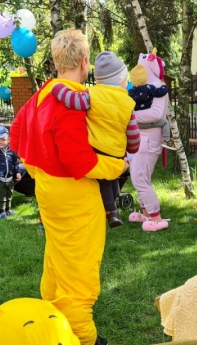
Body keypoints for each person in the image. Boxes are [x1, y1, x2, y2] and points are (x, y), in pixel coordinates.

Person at [10, 29, 126, 345]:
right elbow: (80, 161)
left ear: (57, 61)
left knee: (58, 256)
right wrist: (117, 166)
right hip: (74, 194)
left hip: (48, 189)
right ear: (85, 61)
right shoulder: (70, 101)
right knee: (80, 264)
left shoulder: (43, 92)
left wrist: (39, 171)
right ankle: (85, 341)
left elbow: (18, 134)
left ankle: (53, 316)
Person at [49, 51, 140, 227]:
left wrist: (57, 88)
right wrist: (133, 149)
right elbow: (133, 133)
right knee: (111, 177)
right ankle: (113, 206)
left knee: (104, 179)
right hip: (117, 150)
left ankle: (111, 211)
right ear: (121, 80)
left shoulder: (92, 94)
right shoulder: (128, 102)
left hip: (98, 146)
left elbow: (73, 101)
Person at [128, 51, 171, 232]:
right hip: (139, 138)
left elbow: (156, 114)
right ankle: (147, 214)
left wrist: (129, 116)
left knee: (141, 179)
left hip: (147, 139)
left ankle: (156, 218)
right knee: (137, 177)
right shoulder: (146, 86)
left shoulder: (157, 86)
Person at [128, 62, 173, 150]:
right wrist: (164, 86)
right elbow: (160, 92)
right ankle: (166, 140)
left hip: (137, 124)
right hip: (149, 123)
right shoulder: (149, 88)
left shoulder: (131, 92)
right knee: (165, 122)